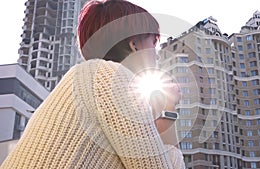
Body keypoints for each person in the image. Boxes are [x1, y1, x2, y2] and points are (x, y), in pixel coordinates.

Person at [0, 0, 185, 168]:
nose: (157, 53)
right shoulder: (109, 77)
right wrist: (169, 105)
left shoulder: (85, 78)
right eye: (153, 42)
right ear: (134, 45)